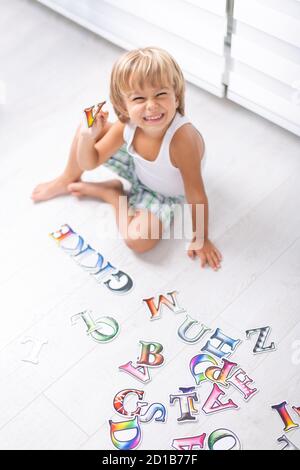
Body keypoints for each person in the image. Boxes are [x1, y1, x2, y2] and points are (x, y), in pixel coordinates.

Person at [31, 47, 222, 271]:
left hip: (164, 194)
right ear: (123, 105)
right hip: (137, 167)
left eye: (161, 94)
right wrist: (87, 136)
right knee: (86, 128)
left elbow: (196, 194)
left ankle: (113, 194)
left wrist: (201, 238)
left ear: (176, 96)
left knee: (137, 241)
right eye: (139, 98)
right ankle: (66, 178)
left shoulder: (182, 140)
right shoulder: (126, 125)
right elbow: (90, 162)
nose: (151, 105)